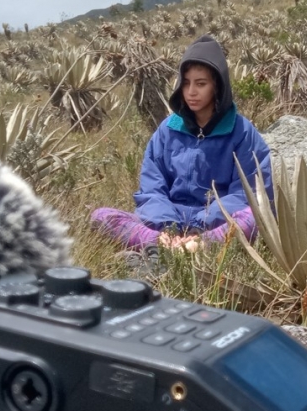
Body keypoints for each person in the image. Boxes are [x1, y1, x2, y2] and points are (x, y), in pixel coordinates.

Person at [90, 34, 274, 271]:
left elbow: (248, 193)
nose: (191, 92)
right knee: (101, 216)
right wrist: (167, 228)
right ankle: (161, 245)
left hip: (215, 224)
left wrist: (201, 227)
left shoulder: (243, 132)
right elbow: (152, 187)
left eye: (201, 83)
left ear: (218, 86)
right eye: (186, 83)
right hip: (167, 221)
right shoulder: (167, 130)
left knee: (254, 218)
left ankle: (198, 247)